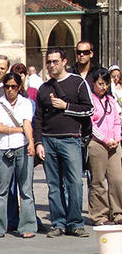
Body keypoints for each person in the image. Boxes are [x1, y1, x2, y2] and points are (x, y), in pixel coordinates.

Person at [34, 47, 94, 238]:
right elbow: (38, 119)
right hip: (49, 140)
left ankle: (75, 223)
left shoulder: (77, 83)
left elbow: (89, 110)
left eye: (55, 61)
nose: (52, 65)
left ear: (64, 62)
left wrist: (66, 106)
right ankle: (58, 223)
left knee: (75, 182)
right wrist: (38, 143)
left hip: (70, 139)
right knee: (54, 184)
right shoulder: (44, 88)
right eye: (49, 62)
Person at [0, 73, 36, 239]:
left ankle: (28, 225)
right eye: (7, 86)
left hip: (22, 146)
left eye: (13, 86)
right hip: (3, 148)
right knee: (2, 189)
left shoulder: (26, 103)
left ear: (19, 87)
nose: (10, 90)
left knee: (26, 188)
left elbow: (27, 124)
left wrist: (30, 142)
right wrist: (18, 129)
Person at [86, 68, 122, 225]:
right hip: (97, 144)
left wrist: (116, 138)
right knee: (99, 180)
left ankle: (118, 212)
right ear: (93, 83)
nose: (103, 87)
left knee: (117, 179)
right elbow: (91, 124)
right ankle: (100, 215)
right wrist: (106, 139)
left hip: (114, 144)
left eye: (106, 84)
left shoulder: (111, 100)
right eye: (100, 83)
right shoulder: (90, 101)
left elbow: (116, 121)